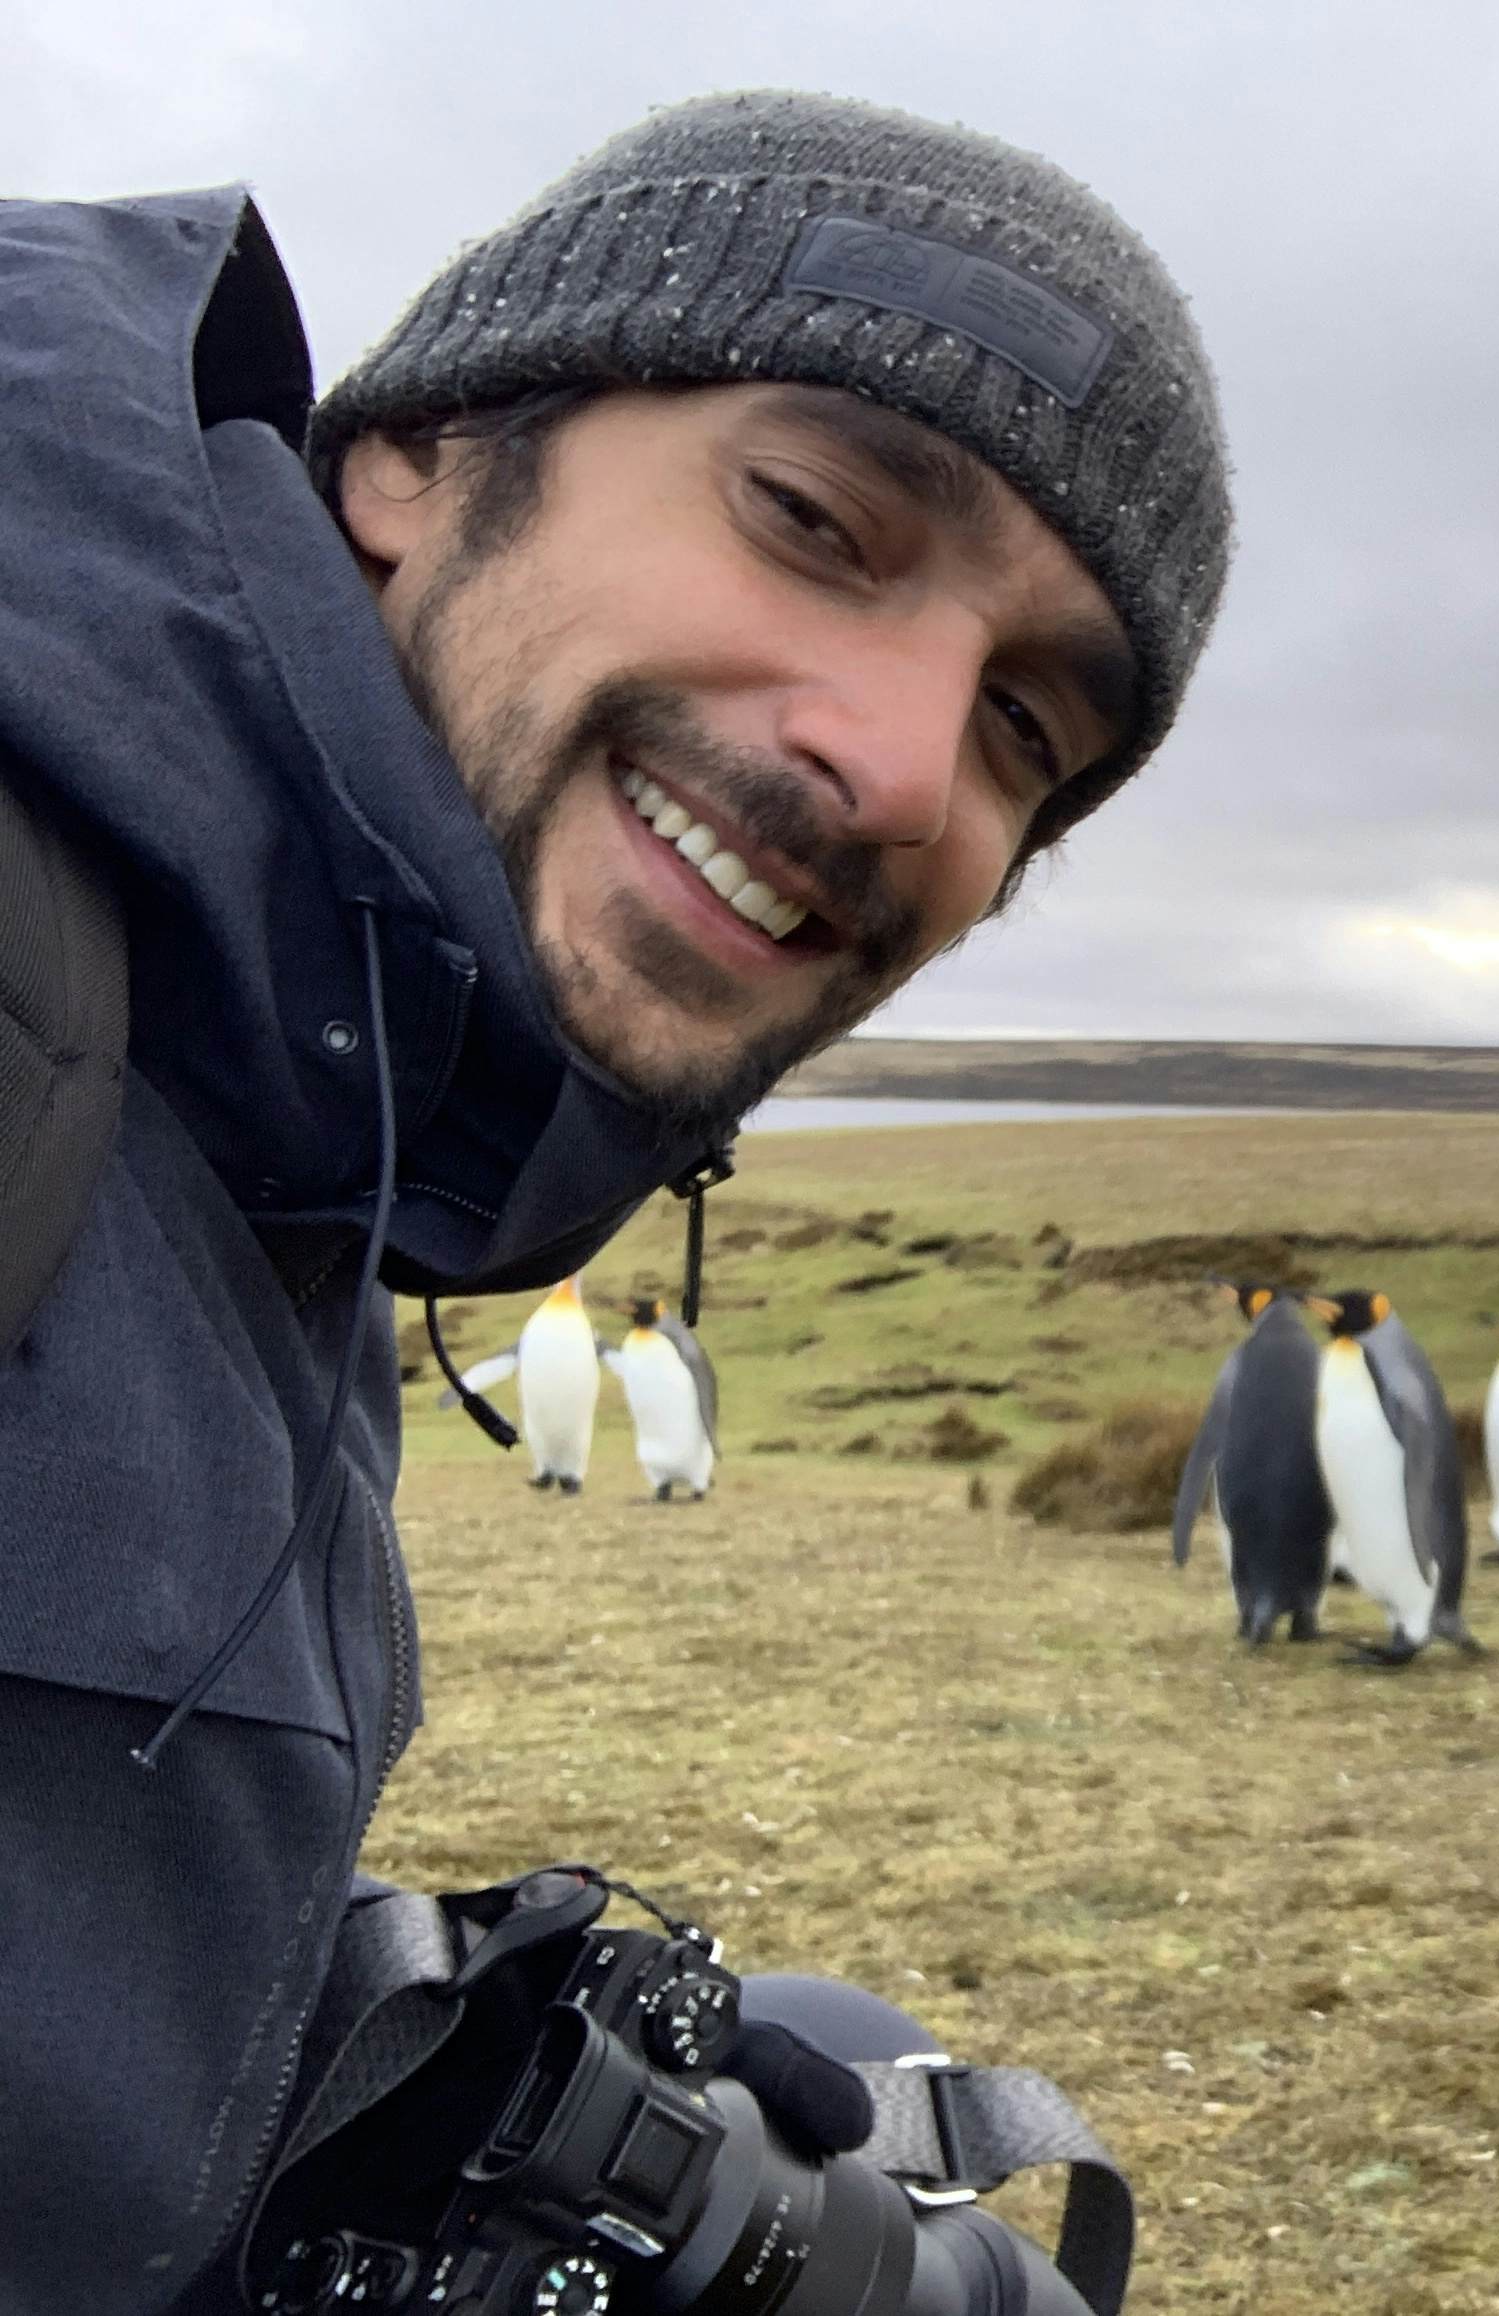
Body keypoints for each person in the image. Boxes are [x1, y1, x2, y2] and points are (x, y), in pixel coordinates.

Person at [0, 91, 1230, 2312]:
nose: (896, 763)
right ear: (419, 457)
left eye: (1027, 734)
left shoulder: (284, 1132)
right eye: (815, 520)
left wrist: (380, 2094)